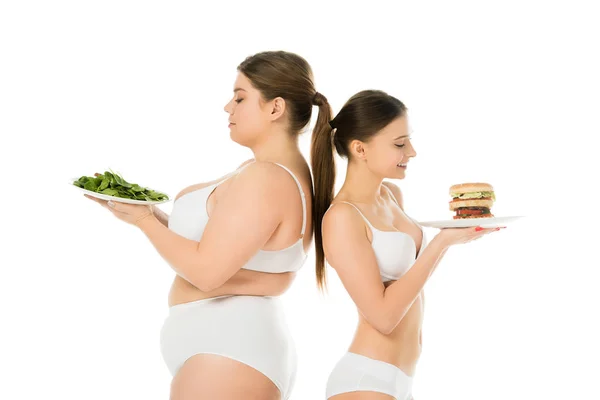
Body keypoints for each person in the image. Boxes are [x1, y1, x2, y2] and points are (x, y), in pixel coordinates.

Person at [85, 50, 333, 400]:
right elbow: (224, 251)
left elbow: (205, 272)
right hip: (225, 352)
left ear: (275, 108)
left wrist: (144, 220)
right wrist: (150, 215)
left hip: (229, 354)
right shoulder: (272, 172)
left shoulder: (268, 177)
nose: (228, 107)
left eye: (240, 97)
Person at [310, 90, 502, 400]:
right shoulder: (342, 218)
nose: (411, 152)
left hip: (402, 381)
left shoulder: (390, 196)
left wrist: (451, 237)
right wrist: (442, 242)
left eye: (408, 141)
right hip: (366, 381)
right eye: (399, 144)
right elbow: (384, 317)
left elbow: (408, 282)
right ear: (360, 149)